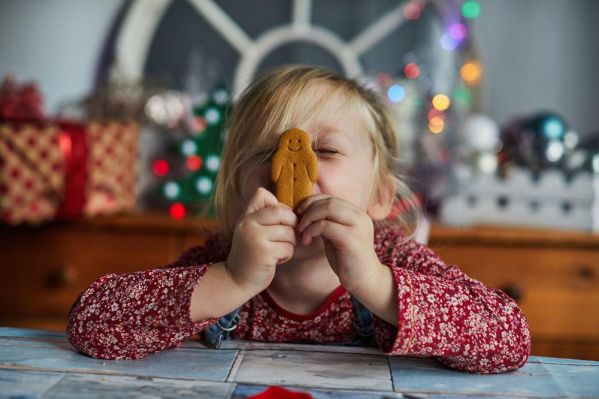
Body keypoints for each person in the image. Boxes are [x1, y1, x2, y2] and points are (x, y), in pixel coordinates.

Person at [67, 65, 531, 374]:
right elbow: (91, 324)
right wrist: (230, 279)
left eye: (326, 150)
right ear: (235, 194)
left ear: (379, 197)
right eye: (266, 153)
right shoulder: (226, 258)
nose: (288, 168)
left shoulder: (392, 258)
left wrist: (374, 281)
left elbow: (510, 338)